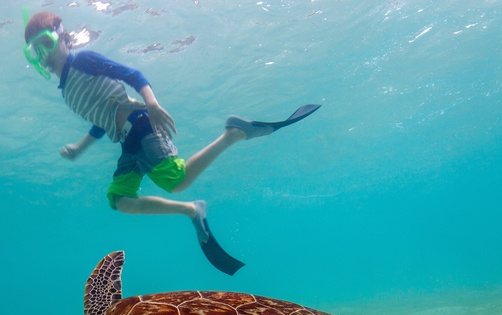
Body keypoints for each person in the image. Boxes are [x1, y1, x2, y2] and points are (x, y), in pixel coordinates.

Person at [22, 10, 317, 274]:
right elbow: (101, 120)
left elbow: (133, 74)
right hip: (127, 141)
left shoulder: (84, 61)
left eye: (46, 43)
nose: (43, 55)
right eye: (34, 51)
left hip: (141, 124)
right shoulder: (66, 92)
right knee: (120, 200)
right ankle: (192, 210)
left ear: (64, 38)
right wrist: (81, 146)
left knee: (177, 180)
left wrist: (151, 104)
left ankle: (232, 134)